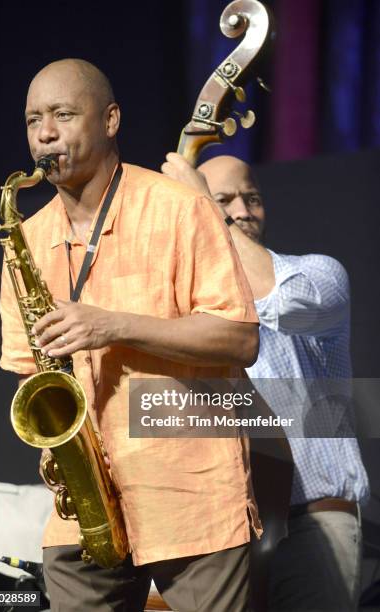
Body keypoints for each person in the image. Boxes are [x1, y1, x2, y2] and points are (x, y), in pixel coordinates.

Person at [0, 60, 263, 612]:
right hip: (85, 504)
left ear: (111, 119)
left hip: (190, 497)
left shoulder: (180, 207)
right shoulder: (24, 238)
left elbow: (240, 339)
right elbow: (32, 373)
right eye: (33, 120)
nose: (45, 132)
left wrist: (112, 325)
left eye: (63, 115)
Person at [162, 153, 370, 611]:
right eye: (224, 199)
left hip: (312, 527)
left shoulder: (317, 275)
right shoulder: (186, 310)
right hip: (226, 540)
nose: (241, 210)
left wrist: (204, 206)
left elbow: (275, 293)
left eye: (251, 198)